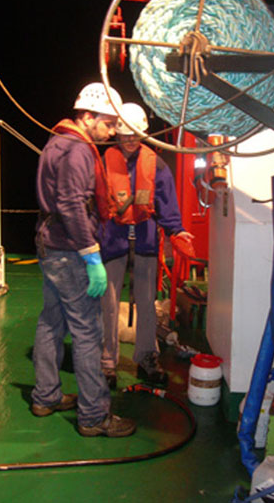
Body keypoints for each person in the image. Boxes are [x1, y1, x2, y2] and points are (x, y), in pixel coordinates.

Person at [31, 83, 136, 438]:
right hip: (70, 252)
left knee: (51, 322)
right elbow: (72, 205)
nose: (111, 132)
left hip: (50, 246)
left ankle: (45, 396)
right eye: (107, 124)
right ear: (87, 116)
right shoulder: (77, 150)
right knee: (87, 332)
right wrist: (91, 255)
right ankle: (94, 416)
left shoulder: (56, 142)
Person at [100, 103, 194, 389]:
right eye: (124, 134)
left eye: (134, 134)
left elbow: (167, 202)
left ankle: (146, 358)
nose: (129, 140)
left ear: (143, 133)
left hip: (146, 241)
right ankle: (106, 363)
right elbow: (94, 201)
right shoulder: (104, 161)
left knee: (147, 304)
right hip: (112, 240)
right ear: (116, 133)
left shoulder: (157, 164)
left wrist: (177, 231)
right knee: (108, 304)